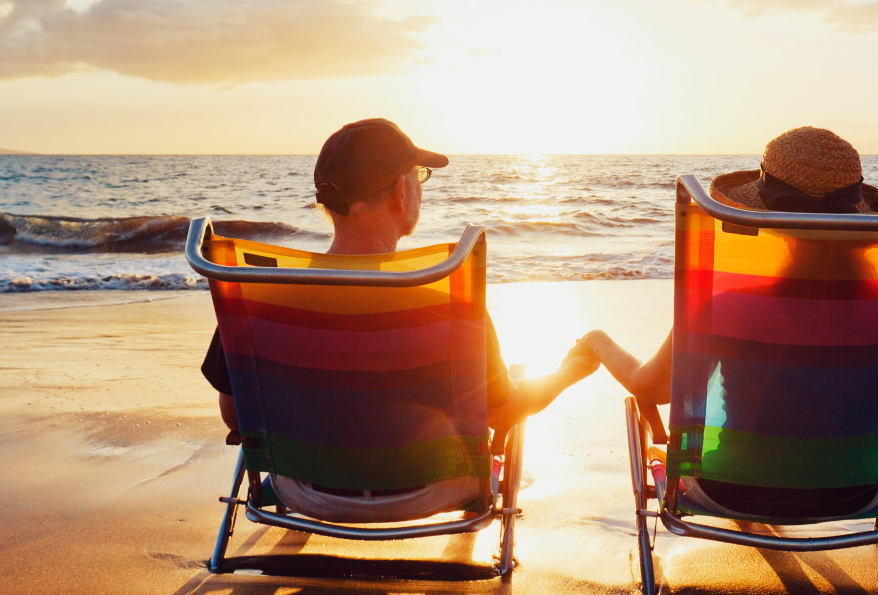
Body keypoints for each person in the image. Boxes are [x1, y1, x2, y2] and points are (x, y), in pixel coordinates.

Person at [200, 118, 597, 520]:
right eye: (418, 176)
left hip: (303, 491)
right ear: (402, 191)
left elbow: (236, 417)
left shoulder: (261, 296)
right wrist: (568, 372)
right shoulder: (447, 299)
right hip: (431, 491)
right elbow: (502, 411)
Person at [575, 126, 878, 519]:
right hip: (854, 492)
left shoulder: (728, 306)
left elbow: (653, 388)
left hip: (730, 490)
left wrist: (598, 342)